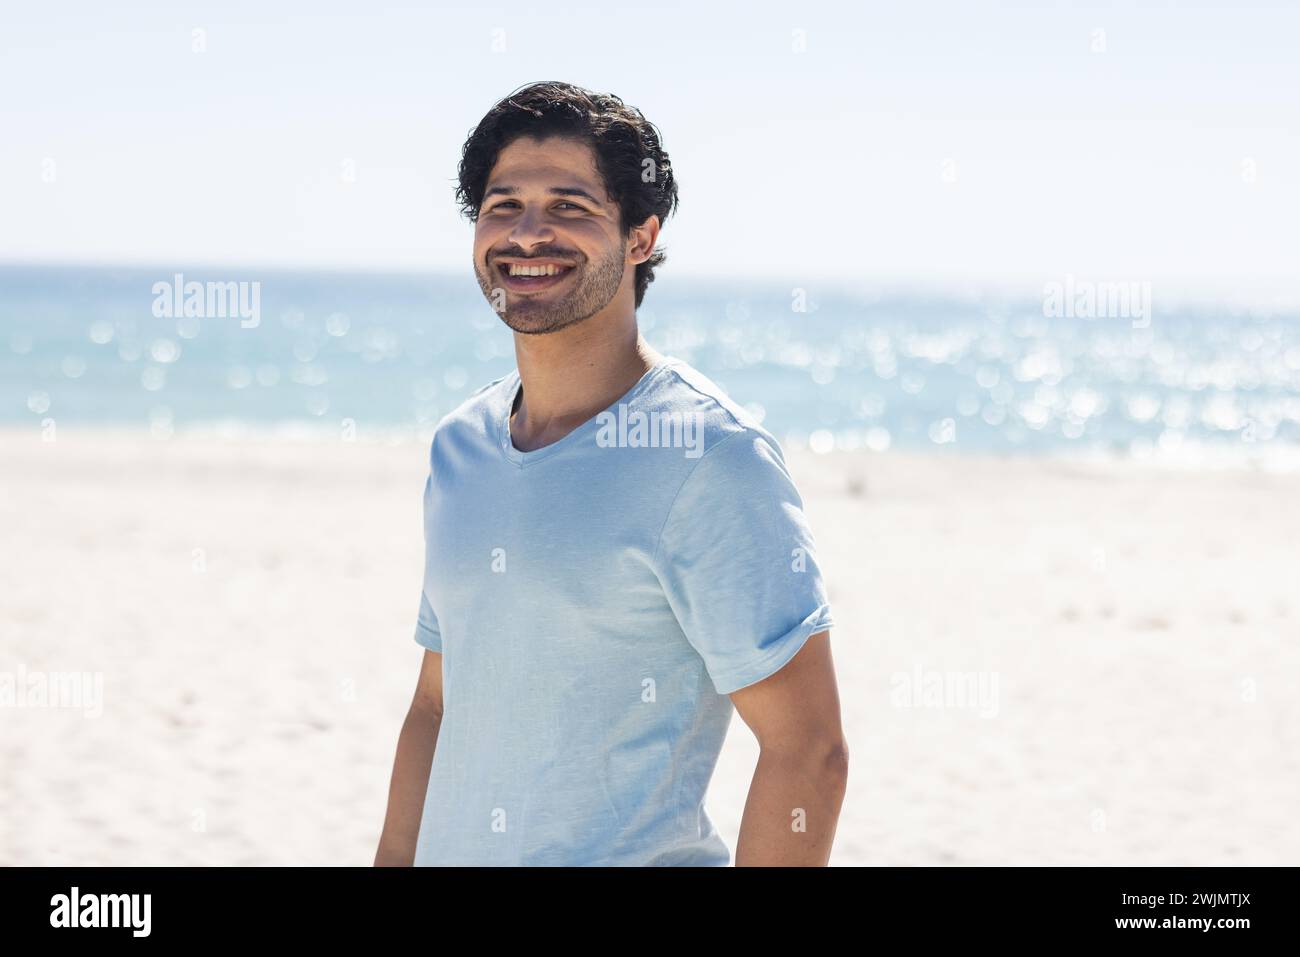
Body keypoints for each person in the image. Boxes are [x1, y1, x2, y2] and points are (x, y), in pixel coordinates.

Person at [375, 81, 848, 866]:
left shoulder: (711, 457)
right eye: (504, 205)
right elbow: (435, 704)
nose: (529, 236)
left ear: (640, 237)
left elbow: (808, 749)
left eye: (569, 207)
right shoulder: (461, 448)